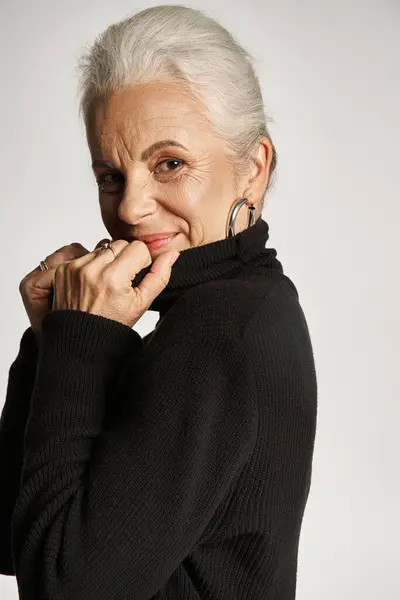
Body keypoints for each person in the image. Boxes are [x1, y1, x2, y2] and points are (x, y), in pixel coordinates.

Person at [0, 5, 318, 599]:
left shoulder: (215, 328)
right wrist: (54, 345)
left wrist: (80, 348)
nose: (128, 208)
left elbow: (59, 587)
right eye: (110, 175)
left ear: (252, 168)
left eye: (169, 164)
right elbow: (15, 537)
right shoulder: (251, 303)